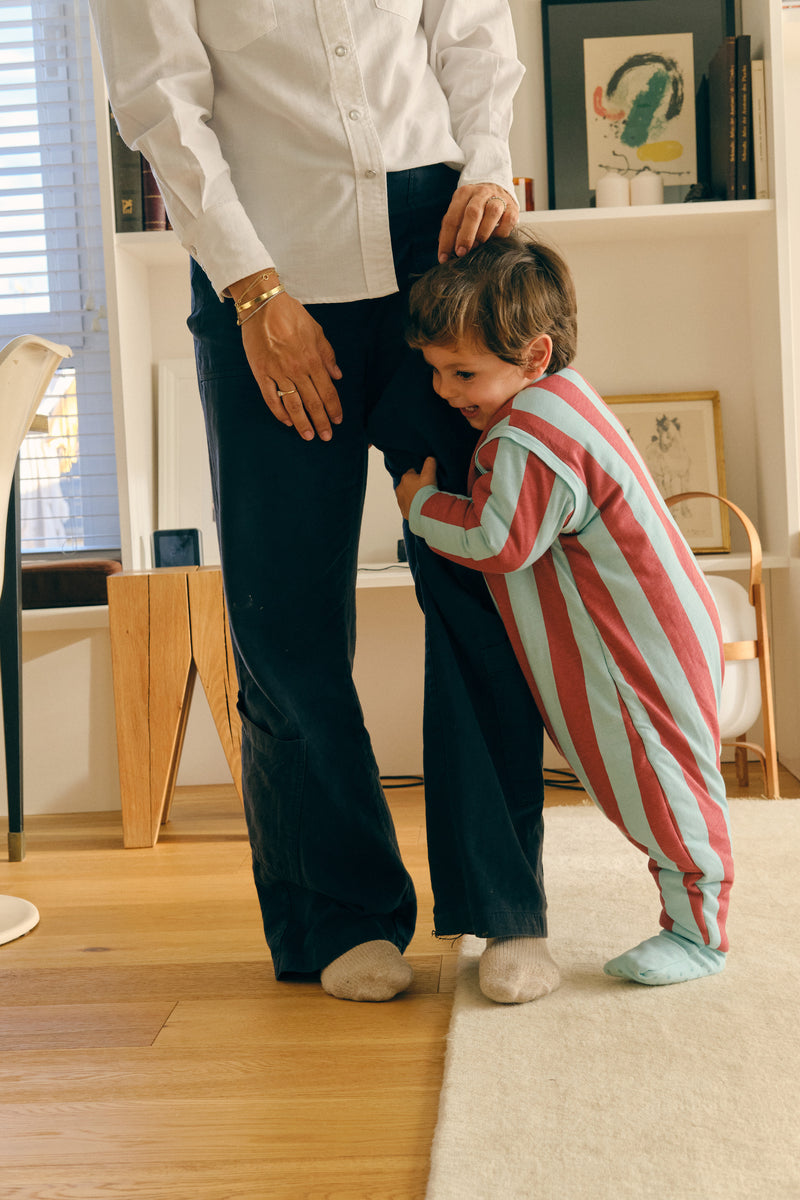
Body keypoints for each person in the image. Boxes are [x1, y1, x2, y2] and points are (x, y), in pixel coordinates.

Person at [89, 1, 553, 1003]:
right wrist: (255, 293)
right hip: (267, 262)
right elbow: (161, 103)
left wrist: (484, 160)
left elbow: (468, 33)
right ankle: (336, 911)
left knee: (481, 583)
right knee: (284, 614)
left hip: (440, 244)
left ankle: (503, 906)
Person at [395, 232, 734, 992]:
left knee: (661, 786)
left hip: (635, 650)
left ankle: (699, 932)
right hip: (655, 632)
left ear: (535, 355)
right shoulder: (563, 401)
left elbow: (497, 538)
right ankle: (692, 917)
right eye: (435, 371)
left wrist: (421, 507)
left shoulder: (531, 435)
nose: (447, 393)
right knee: (663, 777)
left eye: (463, 373)